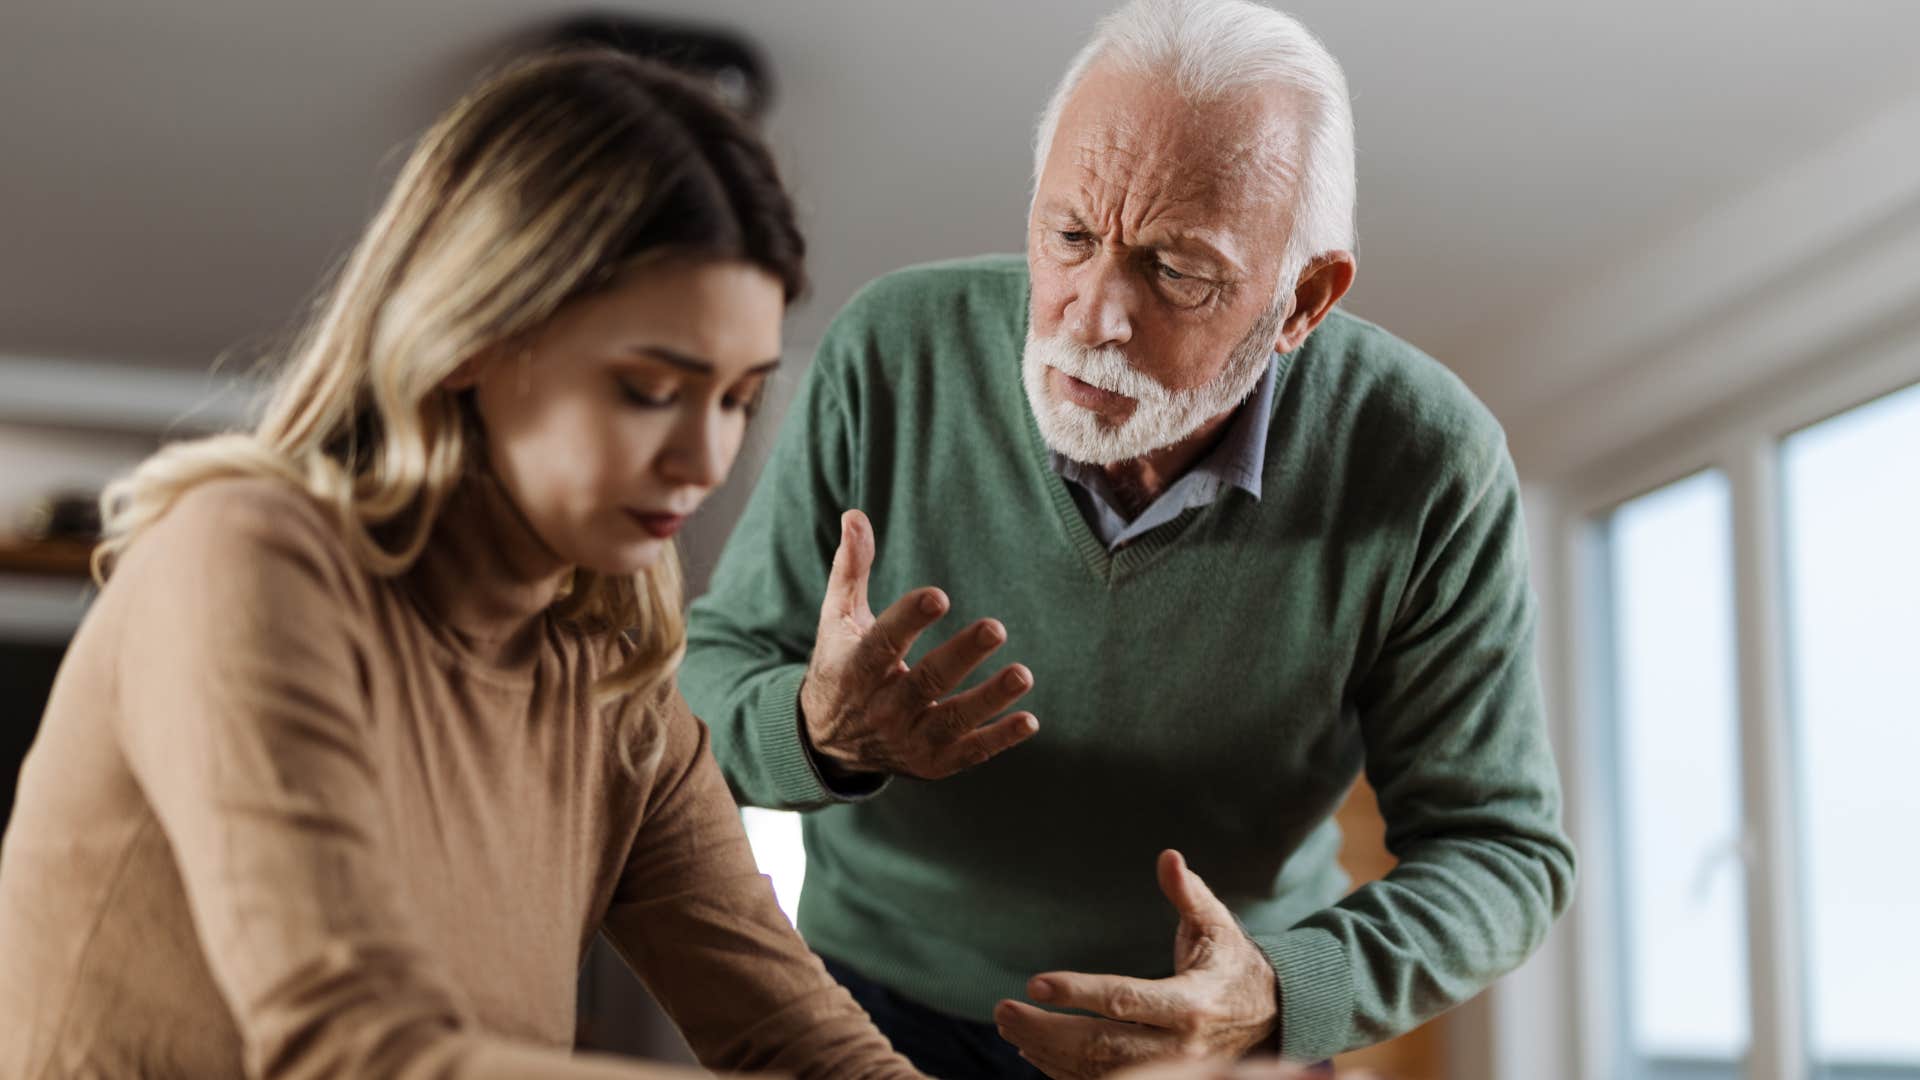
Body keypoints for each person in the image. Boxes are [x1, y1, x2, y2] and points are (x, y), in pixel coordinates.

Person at [680, 0, 1577, 1076]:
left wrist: (1284, 993)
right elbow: (705, 686)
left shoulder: (1429, 460)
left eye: (1175, 270)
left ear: (1302, 302)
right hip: (873, 995)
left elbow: (1503, 853)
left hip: (1218, 1025)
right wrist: (815, 731)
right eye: (1067, 236)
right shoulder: (889, 353)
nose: (1090, 316)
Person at [0, 52, 922, 1080]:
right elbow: (352, 1049)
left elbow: (804, 1046)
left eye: (738, 398)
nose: (704, 460)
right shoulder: (245, 559)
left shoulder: (611, 691)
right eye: (650, 387)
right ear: (476, 339)